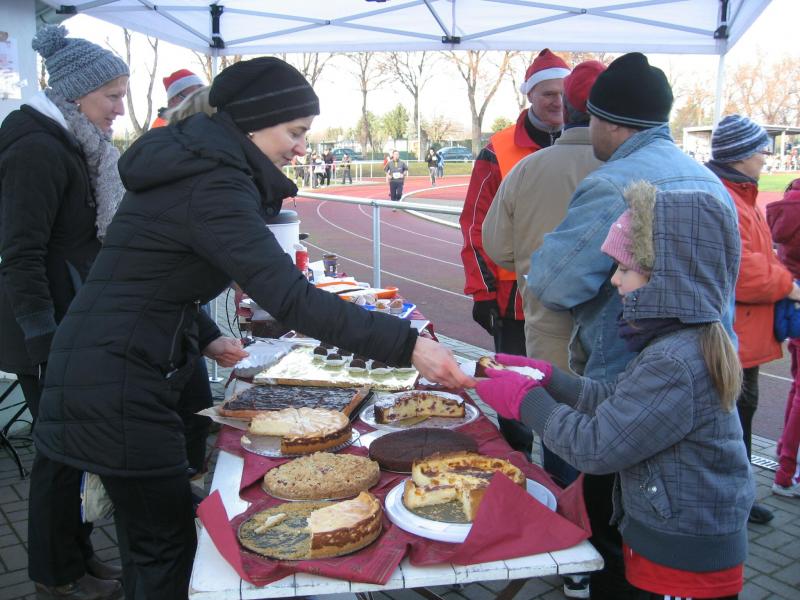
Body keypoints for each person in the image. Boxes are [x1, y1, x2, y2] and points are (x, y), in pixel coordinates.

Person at [32, 57, 473, 600]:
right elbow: (291, 299)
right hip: (117, 380)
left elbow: (144, 278)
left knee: (154, 534)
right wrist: (408, 344)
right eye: (295, 132)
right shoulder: (212, 183)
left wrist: (203, 333)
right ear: (252, 124)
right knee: (163, 546)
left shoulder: (199, 168)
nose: (301, 148)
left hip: (109, 365)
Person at [527, 52, 739, 599]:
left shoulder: (616, 184)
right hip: (704, 384)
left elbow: (554, 282)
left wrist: (528, 400)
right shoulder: (709, 180)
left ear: (611, 123)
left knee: (616, 543)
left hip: (628, 379)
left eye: (592, 118)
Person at [477, 181, 753, 600]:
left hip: (681, 560)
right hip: (671, 541)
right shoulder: (675, 343)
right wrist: (550, 379)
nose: (616, 281)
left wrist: (525, 400)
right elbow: (617, 405)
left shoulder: (674, 360)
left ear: (667, 280)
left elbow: (595, 447)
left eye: (625, 269)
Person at [0, 25, 128, 600]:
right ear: (77, 94)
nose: (119, 109)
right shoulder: (36, 148)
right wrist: (44, 340)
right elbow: (21, 253)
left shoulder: (72, 143)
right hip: (45, 331)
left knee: (75, 450)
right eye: (112, 97)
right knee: (58, 455)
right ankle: (56, 573)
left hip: (68, 322)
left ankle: (78, 555)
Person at [482, 60, 605, 599]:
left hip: (548, 329)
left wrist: (537, 264)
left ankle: (569, 548)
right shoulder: (635, 168)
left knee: (558, 430)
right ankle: (604, 544)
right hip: (618, 339)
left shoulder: (530, 168)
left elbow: (496, 246)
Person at [459, 48, 569, 457]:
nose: (557, 101)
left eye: (563, 93)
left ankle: (560, 472)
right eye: (548, 93)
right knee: (514, 391)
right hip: (513, 301)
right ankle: (516, 464)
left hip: (570, 298)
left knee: (563, 392)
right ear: (530, 95)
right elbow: (475, 223)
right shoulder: (499, 149)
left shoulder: (590, 141)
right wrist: (482, 292)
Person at [705, 115, 800, 524]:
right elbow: (743, 272)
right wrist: (788, 285)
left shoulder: (742, 195)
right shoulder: (727, 197)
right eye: (761, 150)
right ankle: (730, 504)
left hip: (745, 334)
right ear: (740, 155)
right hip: (735, 336)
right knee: (732, 423)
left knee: (739, 419)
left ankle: (738, 499)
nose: (766, 157)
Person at [767, 178, 800, 498]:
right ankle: (786, 473)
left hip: (793, 308)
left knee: (796, 388)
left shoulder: (789, 204)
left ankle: (783, 458)